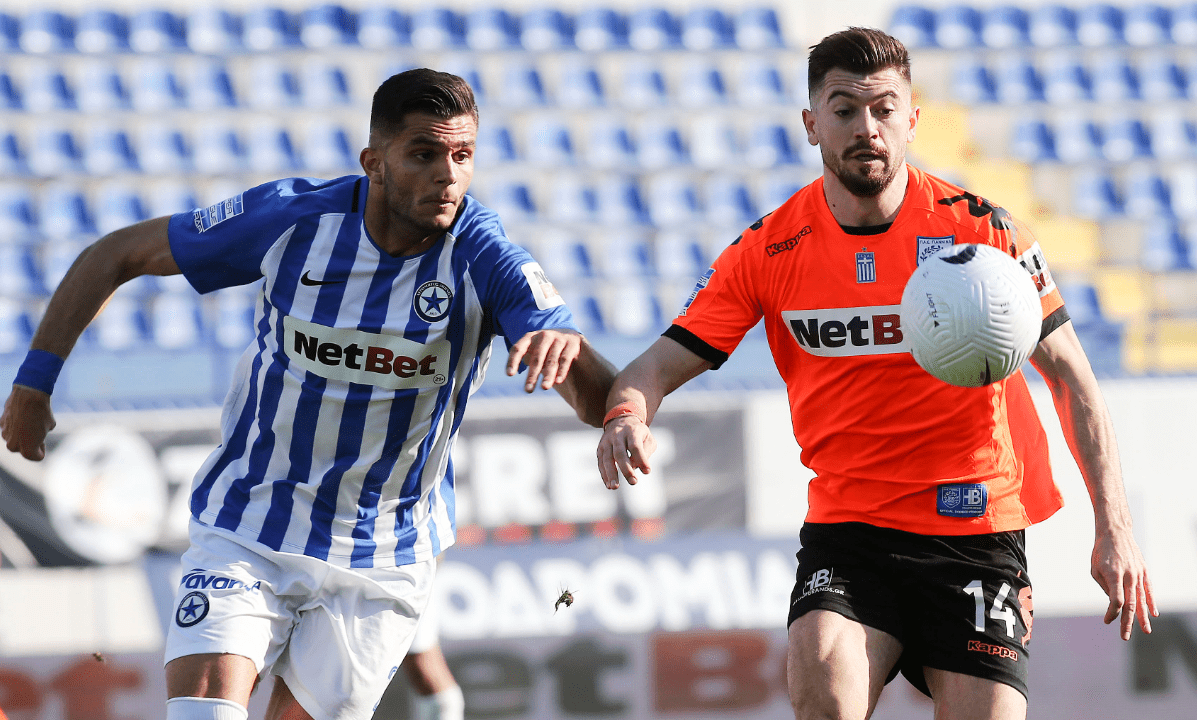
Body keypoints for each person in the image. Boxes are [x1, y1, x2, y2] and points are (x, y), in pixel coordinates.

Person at [2, 69, 616, 720]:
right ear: (374, 163)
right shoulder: (295, 219)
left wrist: (620, 408)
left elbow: (594, 393)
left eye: (462, 155)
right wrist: (33, 384)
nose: (448, 176)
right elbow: (117, 253)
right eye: (424, 154)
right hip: (250, 526)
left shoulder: (485, 257)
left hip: (382, 556)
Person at [596, 27, 1155, 720]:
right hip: (851, 526)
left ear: (911, 119)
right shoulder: (768, 250)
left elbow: (1071, 377)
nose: (867, 128)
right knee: (824, 690)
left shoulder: (983, 234)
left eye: (884, 109)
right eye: (844, 110)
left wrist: (1115, 527)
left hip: (975, 526)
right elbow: (654, 365)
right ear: (811, 125)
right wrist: (626, 413)